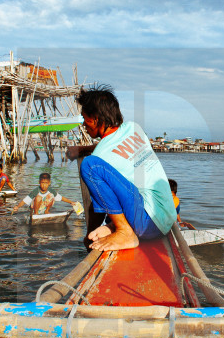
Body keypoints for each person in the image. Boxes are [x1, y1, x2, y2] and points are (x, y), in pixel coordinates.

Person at [65, 85, 176, 251]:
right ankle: (115, 227)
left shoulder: (100, 156)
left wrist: (89, 235)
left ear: (95, 119)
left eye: (85, 118)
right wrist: (83, 149)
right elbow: (112, 144)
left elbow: (98, 205)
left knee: (90, 165)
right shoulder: (134, 128)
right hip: (168, 216)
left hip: (149, 224)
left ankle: (124, 232)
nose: (83, 124)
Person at [17, 172, 81, 215]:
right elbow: (25, 200)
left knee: (51, 196)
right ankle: (36, 214)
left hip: (43, 208)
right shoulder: (35, 191)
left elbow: (61, 198)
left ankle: (46, 211)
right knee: (38, 197)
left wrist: (71, 202)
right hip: (35, 209)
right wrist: (17, 207)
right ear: (39, 182)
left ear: (49, 183)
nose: (44, 185)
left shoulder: (51, 191)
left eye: (46, 183)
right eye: (42, 183)